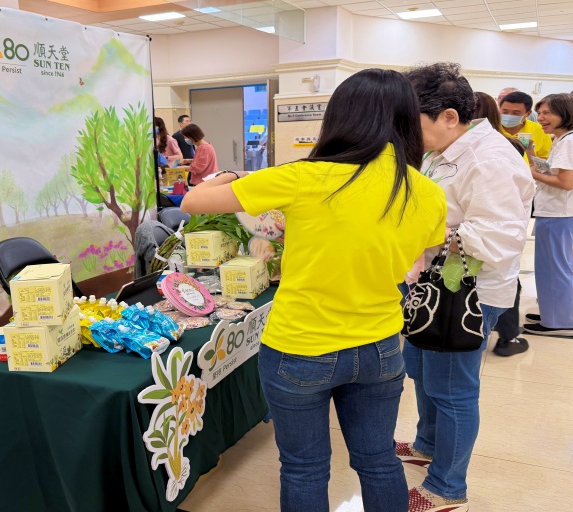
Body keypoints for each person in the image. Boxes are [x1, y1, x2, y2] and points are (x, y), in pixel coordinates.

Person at [180, 68, 448, 512]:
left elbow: (193, 201)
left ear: (339, 117)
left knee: (304, 468)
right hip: (380, 345)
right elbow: (414, 254)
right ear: (406, 119)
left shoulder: (304, 177)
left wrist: (229, 174)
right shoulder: (426, 191)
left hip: (300, 345)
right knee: (378, 460)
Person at [400, 63, 534, 512]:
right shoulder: (444, 148)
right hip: (433, 283)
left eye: (413, 122)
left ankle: (447, 488)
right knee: (423, 371)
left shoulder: (489, 159)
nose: (407, 133)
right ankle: (427, 445)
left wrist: (427, 234)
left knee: (453, 390)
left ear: (449, 116)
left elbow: (499, 237)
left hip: (468, 293)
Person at [523, 94, 573, 337]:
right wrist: (531, 153)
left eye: (547, 113)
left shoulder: (570, 141)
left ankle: (560, 322)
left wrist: (531, 173)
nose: (541, 118)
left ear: (565, 113)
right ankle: (555, 314)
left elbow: (567, 182)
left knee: (554, 267)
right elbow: (558, 171)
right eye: (540, 113)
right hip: (565, 212)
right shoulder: (570, 137)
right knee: (555, 266)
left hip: (560, 213)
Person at [474, 91, 529, 356]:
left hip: (478, 237)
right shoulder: (509, 146)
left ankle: (505, 334)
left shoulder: (499, 150)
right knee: (505, 278)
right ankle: (508, 336)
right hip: (496, 238)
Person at [499, 91, 551, 157]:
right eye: (505, 112)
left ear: (528, 113)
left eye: (516, 113)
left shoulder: (540, 130)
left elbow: (546, 158)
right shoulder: (491, 128)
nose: (509, 116)